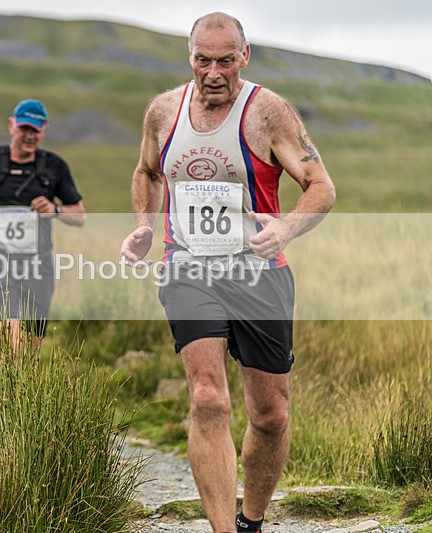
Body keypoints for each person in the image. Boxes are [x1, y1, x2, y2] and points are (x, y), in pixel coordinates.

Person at [120, 13, 335, 533]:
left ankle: (250, 520)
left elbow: (320, 186)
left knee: (271, 415)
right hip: (188, 267)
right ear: (189, 55)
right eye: (202, 59)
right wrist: (146, 228)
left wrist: (283, 231)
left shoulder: (268, 113)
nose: (213, 72)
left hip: (259, 271)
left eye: (224, 60)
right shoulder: (163, 112)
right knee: (208, 397)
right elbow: (148, 170)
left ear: (244, 55)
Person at [0, 99, 86, 352]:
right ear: (11, 125)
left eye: (35, 130)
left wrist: (55, 209)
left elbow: (80, 216)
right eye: (24, 128)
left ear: (44, 129)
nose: (29, 135)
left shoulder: (55, 166)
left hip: (39, 263)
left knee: (32, 343)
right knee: (9, 331)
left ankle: (22, 386)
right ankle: (4, 387)